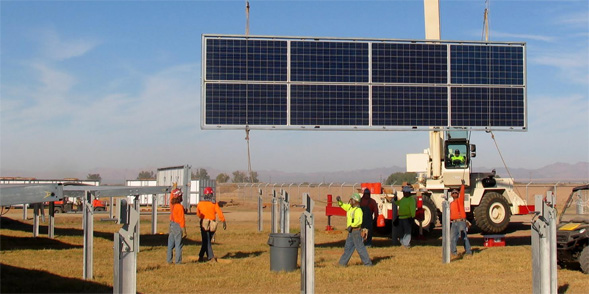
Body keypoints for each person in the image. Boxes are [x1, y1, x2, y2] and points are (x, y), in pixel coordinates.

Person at [336, 193, 372, 267]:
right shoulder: (350, 208)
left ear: (355, 201)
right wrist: (339, 201)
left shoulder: (358, 210)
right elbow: (344, 206)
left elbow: (359, 221)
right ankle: (342, 264)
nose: (350, 201)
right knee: (348, 248)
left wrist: (352, 226)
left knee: (360, 248)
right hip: (351, 232)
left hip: (356, 231)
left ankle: (368, 264)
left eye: (351, 200)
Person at [196, 187, 226, 262]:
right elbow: (219, 212)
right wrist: (223, 221)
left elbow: (198, 214)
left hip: (204, 223)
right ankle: (211, 257)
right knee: (207, 240)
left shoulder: (200, 203)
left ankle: (201, 256)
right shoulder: (214, 203)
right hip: (212, 223)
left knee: (206, 240)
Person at [450, 180, 472, 256]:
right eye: (453, 193)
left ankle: (468, 251)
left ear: (458, 194)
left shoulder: (460, 201)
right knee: (452, 238)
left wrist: (462, 186)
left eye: (456, 193)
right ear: (451, 195)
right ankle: (453, 252)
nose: (454, 194)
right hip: (454, 222)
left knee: (464, 237)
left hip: (461, 222)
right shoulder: (451, 204)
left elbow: (462, 193)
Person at [167, 188, 187, 264]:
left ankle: (169, 260)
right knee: (178, 245)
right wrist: (184, 230)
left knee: (170, 244)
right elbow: (182, 219)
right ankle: (178, 262)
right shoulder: (179, 207)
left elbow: (171, 197)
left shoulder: (172, 205)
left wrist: (174, 190)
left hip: (171, 224)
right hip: (177, 226)